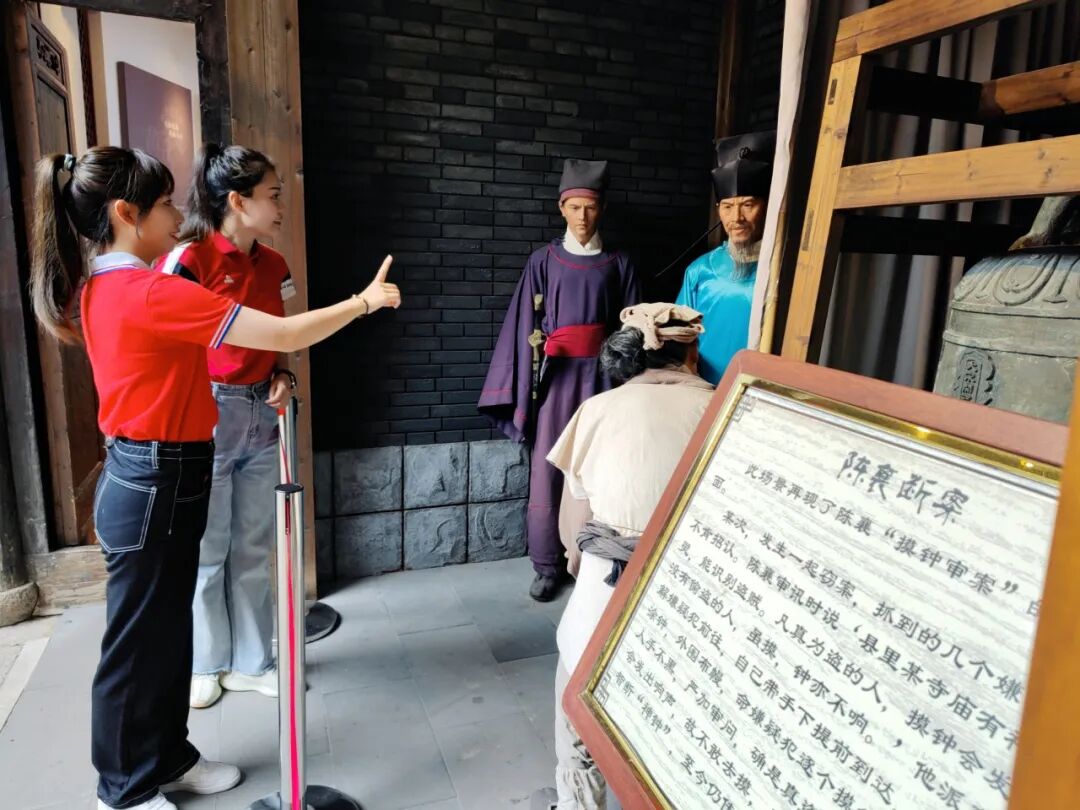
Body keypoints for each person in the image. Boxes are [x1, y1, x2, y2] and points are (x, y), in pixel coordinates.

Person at [29, 146, 400, 810]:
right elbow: (282, 332)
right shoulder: (149, 289)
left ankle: (168, 758)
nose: (179, 215)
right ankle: (123, 790)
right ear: (126, 214)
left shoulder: (114, 285)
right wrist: (363, 302)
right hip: (152, 477)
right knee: (136, 647)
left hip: (164, 470)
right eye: (164, 204)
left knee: (166, 631)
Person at [533, 303, 713, 810]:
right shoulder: (724, 409)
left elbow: (574, 530)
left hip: (603, 589)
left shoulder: (597, 409)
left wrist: (583, 563)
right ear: (692, 354)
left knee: (576, 706)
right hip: (695, 595)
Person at [154, 144, 294, 709]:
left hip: (262, 410)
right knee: (207, 548)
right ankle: (206, 662)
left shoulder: (276, 265)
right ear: (238, 201)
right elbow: (164, 343)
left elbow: (281, 333)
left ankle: (252, 661)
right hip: (207, 412)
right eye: (273, 195)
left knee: (254, 544)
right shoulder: (187, 261)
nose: (280, 206)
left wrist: (283, 371)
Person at [478, 159, 642, 602]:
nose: (582, 216)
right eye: (574, 207)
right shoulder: (543, 261)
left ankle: (597, 559)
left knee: (603, 466)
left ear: (601, 208)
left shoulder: (620, 263)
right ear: (561, 208)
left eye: (590, 207)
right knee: (549, 467)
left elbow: (633, 329)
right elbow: (522, 325)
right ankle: (547, 563)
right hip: (556, 380)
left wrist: (627, 380)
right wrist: (528, 378)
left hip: (605, 381)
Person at [676, 130, 775, 384]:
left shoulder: (780, 271)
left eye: (748, 205)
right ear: (718, 210)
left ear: (767, 207)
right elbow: (680, 338)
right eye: (728, 207)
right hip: (704, 388)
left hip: (761, 389)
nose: (736, 218)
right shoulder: (700, 271)